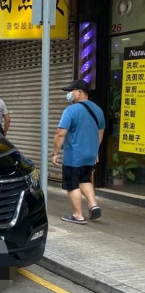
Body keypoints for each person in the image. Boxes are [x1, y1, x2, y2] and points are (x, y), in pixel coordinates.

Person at [51, 79, 105, 225]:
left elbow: (60, 133)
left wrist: (55, 152)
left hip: (74, 156)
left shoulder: (71, 110)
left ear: (80, 92)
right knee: (84, 180)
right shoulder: (98, 110)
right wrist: (95, 151)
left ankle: (77, 215)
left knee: (72, 185)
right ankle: (93, 205)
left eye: (70, 91)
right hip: (90, 155)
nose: (68, 94)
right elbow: (100, 132)